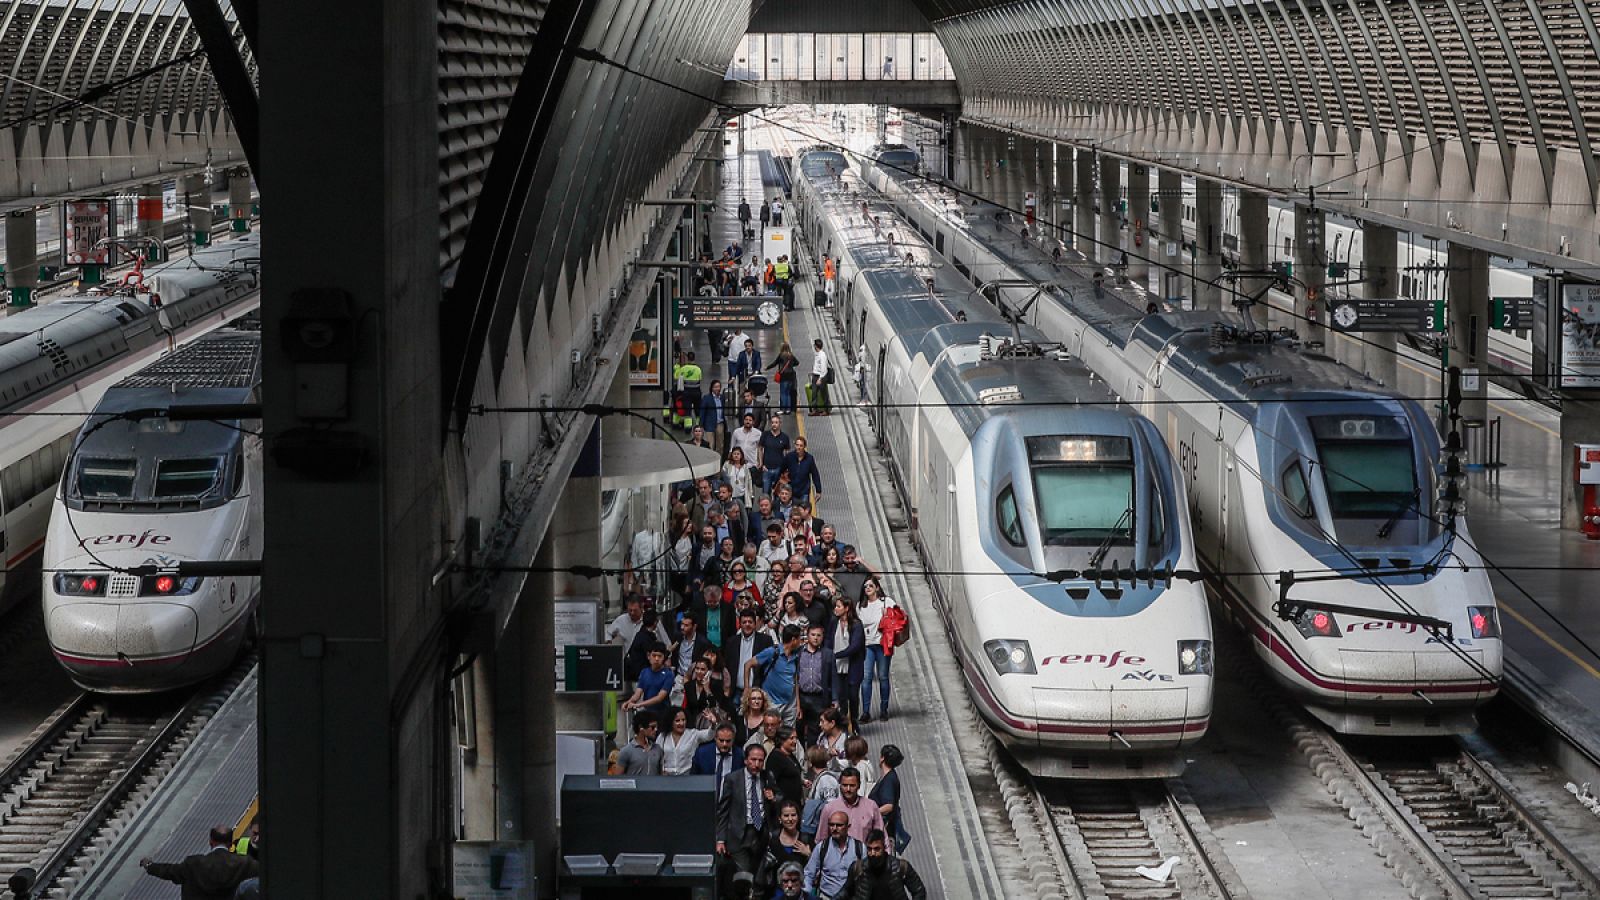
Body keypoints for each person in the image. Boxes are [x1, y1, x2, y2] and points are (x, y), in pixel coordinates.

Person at [138, 825, 259, 899]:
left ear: (211, 841)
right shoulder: (245, 863)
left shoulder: (193, 863)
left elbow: (169, 871)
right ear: (231, 844)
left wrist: (149, 866)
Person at [716, 744, 774, 877]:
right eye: (753, 760)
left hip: (760, 833)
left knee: (760, 873)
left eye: (760, 760)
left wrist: (773, 798)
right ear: (746, 760)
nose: (756, 764)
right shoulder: (733, 779)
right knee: (744, 873)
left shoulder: (767, 776)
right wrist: (720, 839)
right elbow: (723, 810)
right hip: (739, 833)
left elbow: (779, 797)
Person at [746, 623, 804, 727]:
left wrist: (798, 705)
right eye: (799, 638)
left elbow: (795, 680)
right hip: (772, 703)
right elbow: (748, 664)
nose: (801, 641)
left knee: (788, 735)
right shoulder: (772, 652)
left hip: (790, 705)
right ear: (793, 640)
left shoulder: (795, 656)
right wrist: (747, 689)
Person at [847, 829, 927, 899]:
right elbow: (846, 893)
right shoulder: (857, 868)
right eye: (869, 849)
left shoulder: (901, 867)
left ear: (884, 848)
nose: (873, 853)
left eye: (877, 849)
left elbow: (919, 891)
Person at [803, 812, 865, 900]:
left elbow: (868, 875)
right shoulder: (822, 847)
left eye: (839, 825)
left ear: (848, 826)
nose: (834, 828)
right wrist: (806, 894)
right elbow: (809, 874)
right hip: (826, 897)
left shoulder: (859, 848)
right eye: (831, 825)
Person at [857, 579, 895, 723]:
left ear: (877, 588)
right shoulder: (861, 605)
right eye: (865, 586)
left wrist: (888, 615)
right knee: (866, 677)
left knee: (883, 676)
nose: (867, 588)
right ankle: (866, 711)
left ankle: (884, 709)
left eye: (870, 586)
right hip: (867, 645)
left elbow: (898, 617)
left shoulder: (886, 602)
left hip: (882, 644)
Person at [827, 597, 867, 731]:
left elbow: (855, 646)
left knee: (853, 695)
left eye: (838, 606)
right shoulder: (834, 622)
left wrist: (837, 655)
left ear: (846, 608)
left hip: (853, 666)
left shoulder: (856, 624)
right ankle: (844, 723)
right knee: (841, 696)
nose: (835, 609)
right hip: (837, 666)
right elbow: (829, 639)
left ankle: (854, 720)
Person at [819, 769, 883, 843]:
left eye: (852, 785)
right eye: (845, 785)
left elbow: (881, 836)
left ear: (859, 785)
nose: (848, 789)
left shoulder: (871, 806)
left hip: (863, 853)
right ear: (840, 785)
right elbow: (822, 839)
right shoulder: (829, 808)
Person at [796, 622, 835, 743]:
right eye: (813, 634)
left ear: (822, 637)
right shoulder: (798, 653)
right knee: (798, 727)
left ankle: (813, 756)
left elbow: (833, 677)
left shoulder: (828, 654)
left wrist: (835, 699)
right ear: (807, 636)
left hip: (819, 698)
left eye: (819, 635)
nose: (816, 638)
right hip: (802, 697)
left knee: (816, 729)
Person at [869, 744, 910, 853]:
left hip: (884, 828)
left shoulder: (889, 780)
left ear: (882, 758)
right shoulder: (889, 777)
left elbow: (889, 806)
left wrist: (871, 812)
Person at [726, 610, 776, 694]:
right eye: (744, 622)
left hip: (758, 692)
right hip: (735, 691)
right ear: (740, 624)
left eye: (750, 622)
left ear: (755, 624)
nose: (747, 624)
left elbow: (770, 666)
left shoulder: (765, 641)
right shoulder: (731, 642)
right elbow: (727, 665)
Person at [694, 723, 741, 804]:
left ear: (733, 739)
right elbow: (694, 779)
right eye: (721, 740)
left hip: (730, 804)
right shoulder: (702, 753)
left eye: (728, 741)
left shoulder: (740, 755)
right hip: (705, 801)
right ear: (715, 738)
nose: (724, 744)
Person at [661, 707, 715, 775]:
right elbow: (658, 755)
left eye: (683, 720)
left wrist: (713, 724)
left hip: (687, 776)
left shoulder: (693, 734)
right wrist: (661, 770)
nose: (681, 723)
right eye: (677, 721)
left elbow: (709, 735)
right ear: (671, 722)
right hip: (666, 777)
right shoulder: (663, 736)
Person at [766, 726, 806, 804]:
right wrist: (780, 799)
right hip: (784, 805)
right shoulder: (775, 758)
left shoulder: (790, 755)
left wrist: (802, 781)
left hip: (795, 803)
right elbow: (772, 782)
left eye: (796, 738)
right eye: (791, 738)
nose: (795, 741)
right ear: (782, 740)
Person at [781, 436, 823, 509]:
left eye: (801, 445)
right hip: (791, 490)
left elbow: (815, 474)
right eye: (797, 445)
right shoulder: (789, 457)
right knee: (792, 512)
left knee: (803, 511)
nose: (799, 447)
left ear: (804, 447)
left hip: (804, 491)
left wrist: (818, 490)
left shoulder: (809, 459)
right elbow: (781, 469)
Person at [674, 611, 716, 677]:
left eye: (686, 625)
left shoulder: (703, 643)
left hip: (695, 678)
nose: (682, 627)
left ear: (694, 626)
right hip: (679, 677)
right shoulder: (677, 637)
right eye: (682, 624)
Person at [768, 345, 799, 415]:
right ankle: (788, 409)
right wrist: (790, 366)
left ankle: (783, 409)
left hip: (784, 376)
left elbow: (774, 363)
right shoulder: (791, 355)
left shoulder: (781, 355)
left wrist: (767, 367)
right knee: (788, 393)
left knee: (783, 393)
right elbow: (797, 363)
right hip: (791, 377)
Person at [808, 339, 832, 416]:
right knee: (814, 393)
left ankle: (826, 410)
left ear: (816, 346)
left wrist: (820, 378)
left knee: (823, 394)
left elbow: (824, 368)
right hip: (815, 376)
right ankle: (815, 409)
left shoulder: (822, 355)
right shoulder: (817, 354)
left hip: (820, 377)